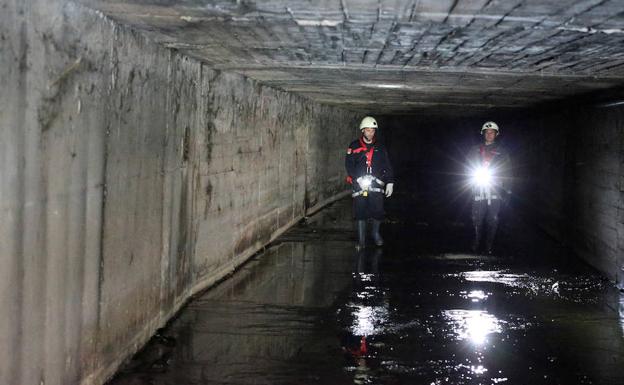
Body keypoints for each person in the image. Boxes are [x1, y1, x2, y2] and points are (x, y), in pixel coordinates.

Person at [345, 116, 394, 249]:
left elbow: (387, 165)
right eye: (367, 130)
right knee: (360, 210)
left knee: (378, 210)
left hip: (376, 183)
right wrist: (357, 178)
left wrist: (390, 182)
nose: (370, 133)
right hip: (359, 183)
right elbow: (349, 165)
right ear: (363, 131)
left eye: (372, 130)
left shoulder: (380, 147)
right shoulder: (354, 146)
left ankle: (375, 234)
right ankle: (361, 240)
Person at [468, 121, 511, 254]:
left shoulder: (502, 152)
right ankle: (476, 244)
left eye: (492, 132)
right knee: (477, 217)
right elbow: (466, 165)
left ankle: (489, 247)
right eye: (487, 132)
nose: (489, 134)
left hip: (495, 189)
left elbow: (508, 171)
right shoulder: (475, 149)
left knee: (492, 218)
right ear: (483, 134)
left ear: (496, 134)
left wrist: (508, 190)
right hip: (478, 188)